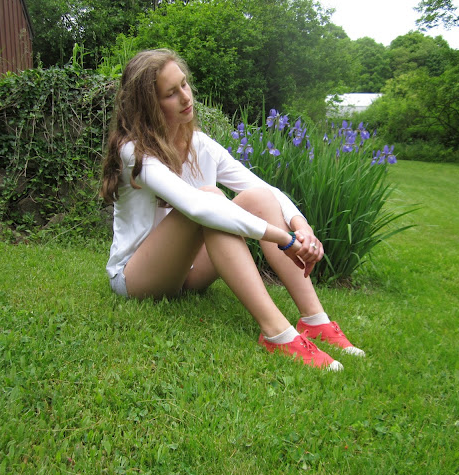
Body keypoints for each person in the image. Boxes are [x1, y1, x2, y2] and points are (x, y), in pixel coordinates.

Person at [100, 49, 365, 371]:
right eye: (171, 93)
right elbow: (198, 207)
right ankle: (277, 333)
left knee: (258, 198)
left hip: (188, 274)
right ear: (148, 106)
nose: (186, 97)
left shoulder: (199, 143)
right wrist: (284, 238)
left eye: (184, 84)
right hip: (137, 277)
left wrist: (301, 226)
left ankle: (315, 320)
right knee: (210, 199)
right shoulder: (135, 152)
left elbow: (264, 189)